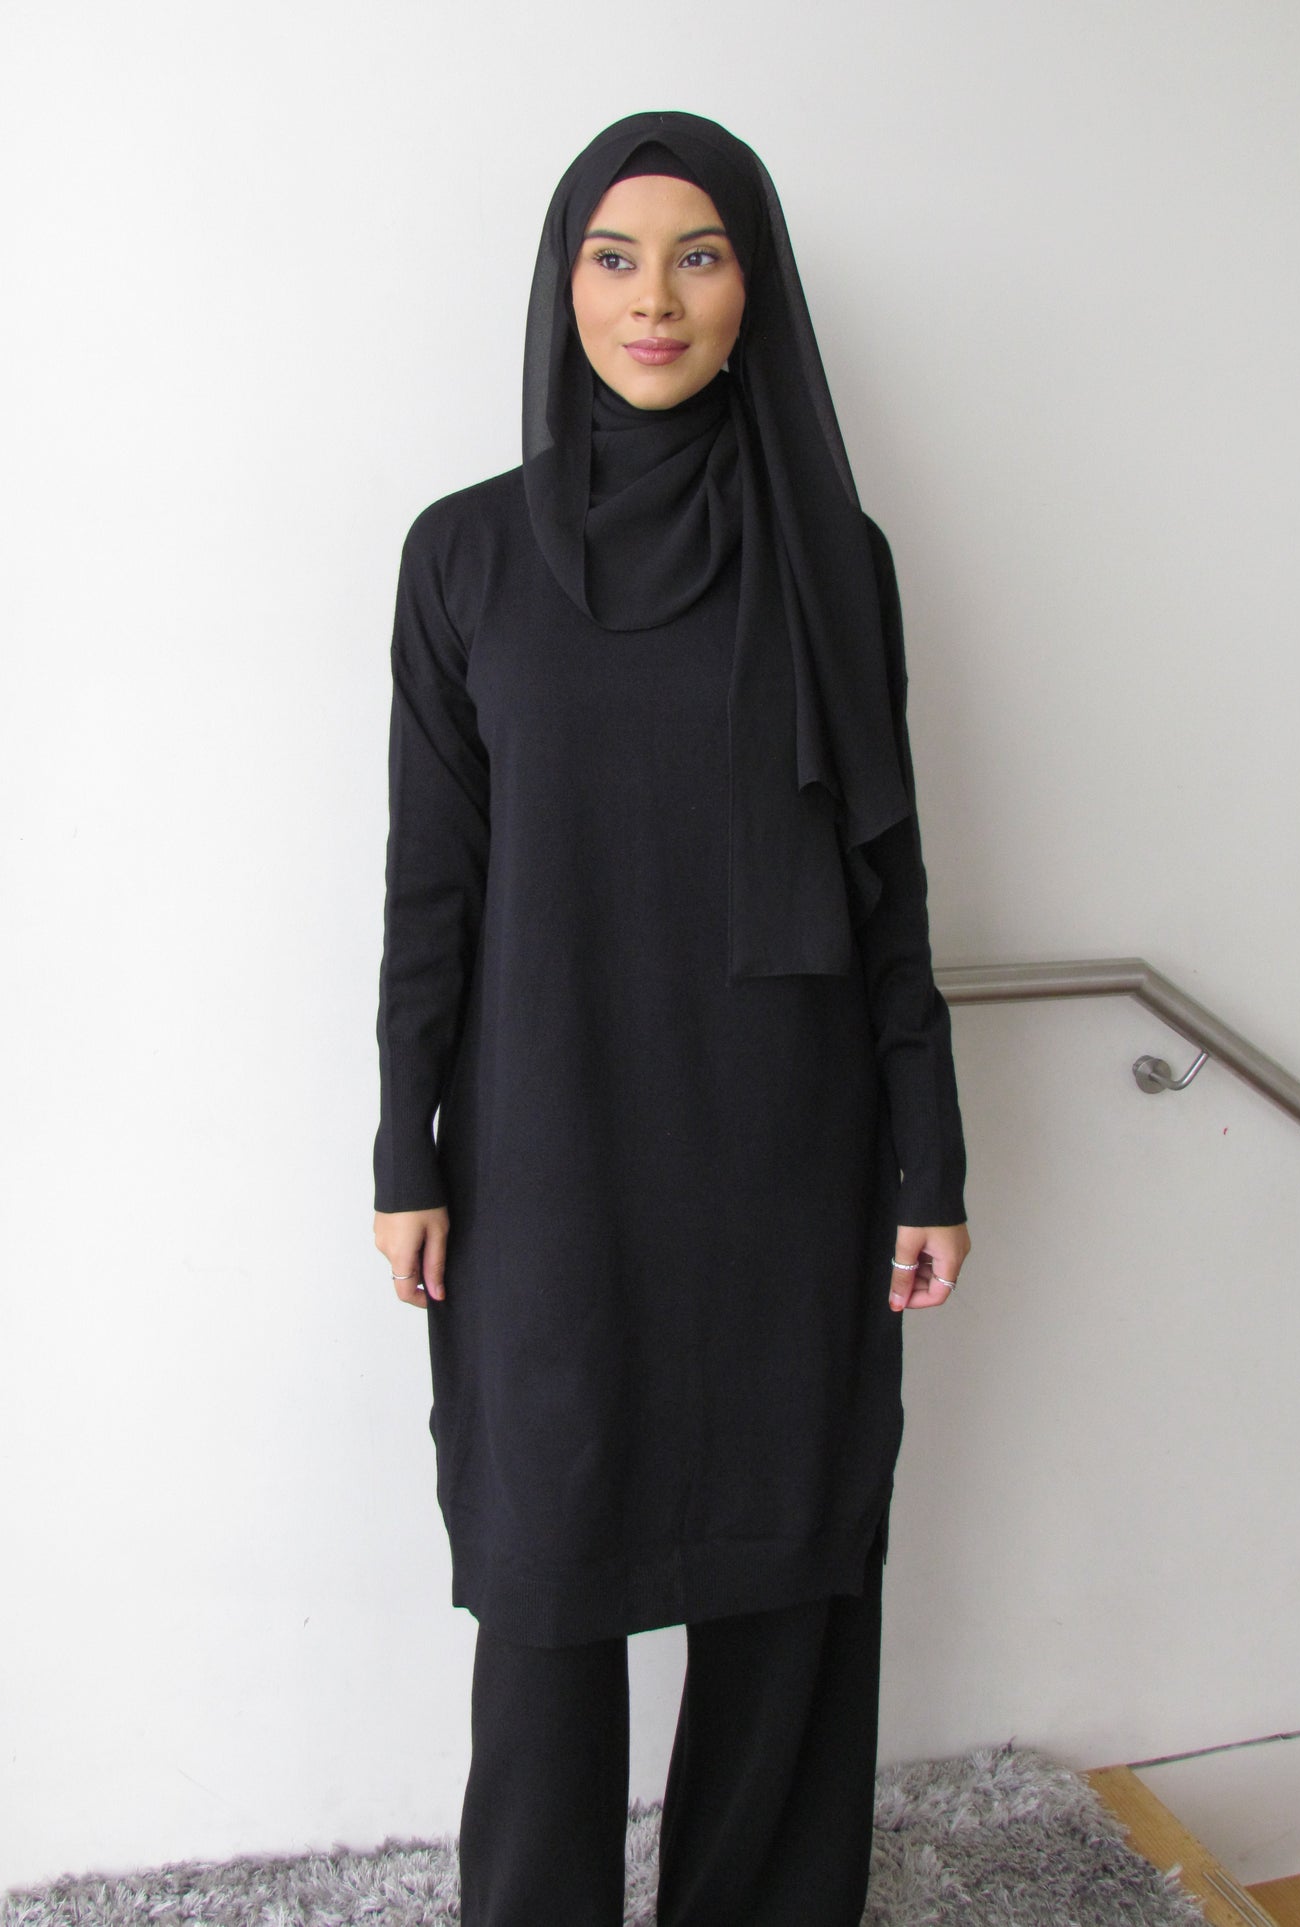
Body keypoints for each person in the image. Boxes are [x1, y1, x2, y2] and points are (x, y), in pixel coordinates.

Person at [372, 109, 971, 1927]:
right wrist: (405, 1146)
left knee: (788, 1564)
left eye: (698, 256)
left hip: (787, 1137)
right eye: (614, 257)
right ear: (563, 288)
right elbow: (430, 885)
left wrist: (927, 1156)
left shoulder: (835, 558)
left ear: (750, 290)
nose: (654, 298)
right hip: (548, 1143)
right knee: (549, 1568)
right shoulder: (464, 556)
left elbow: (887, 880)